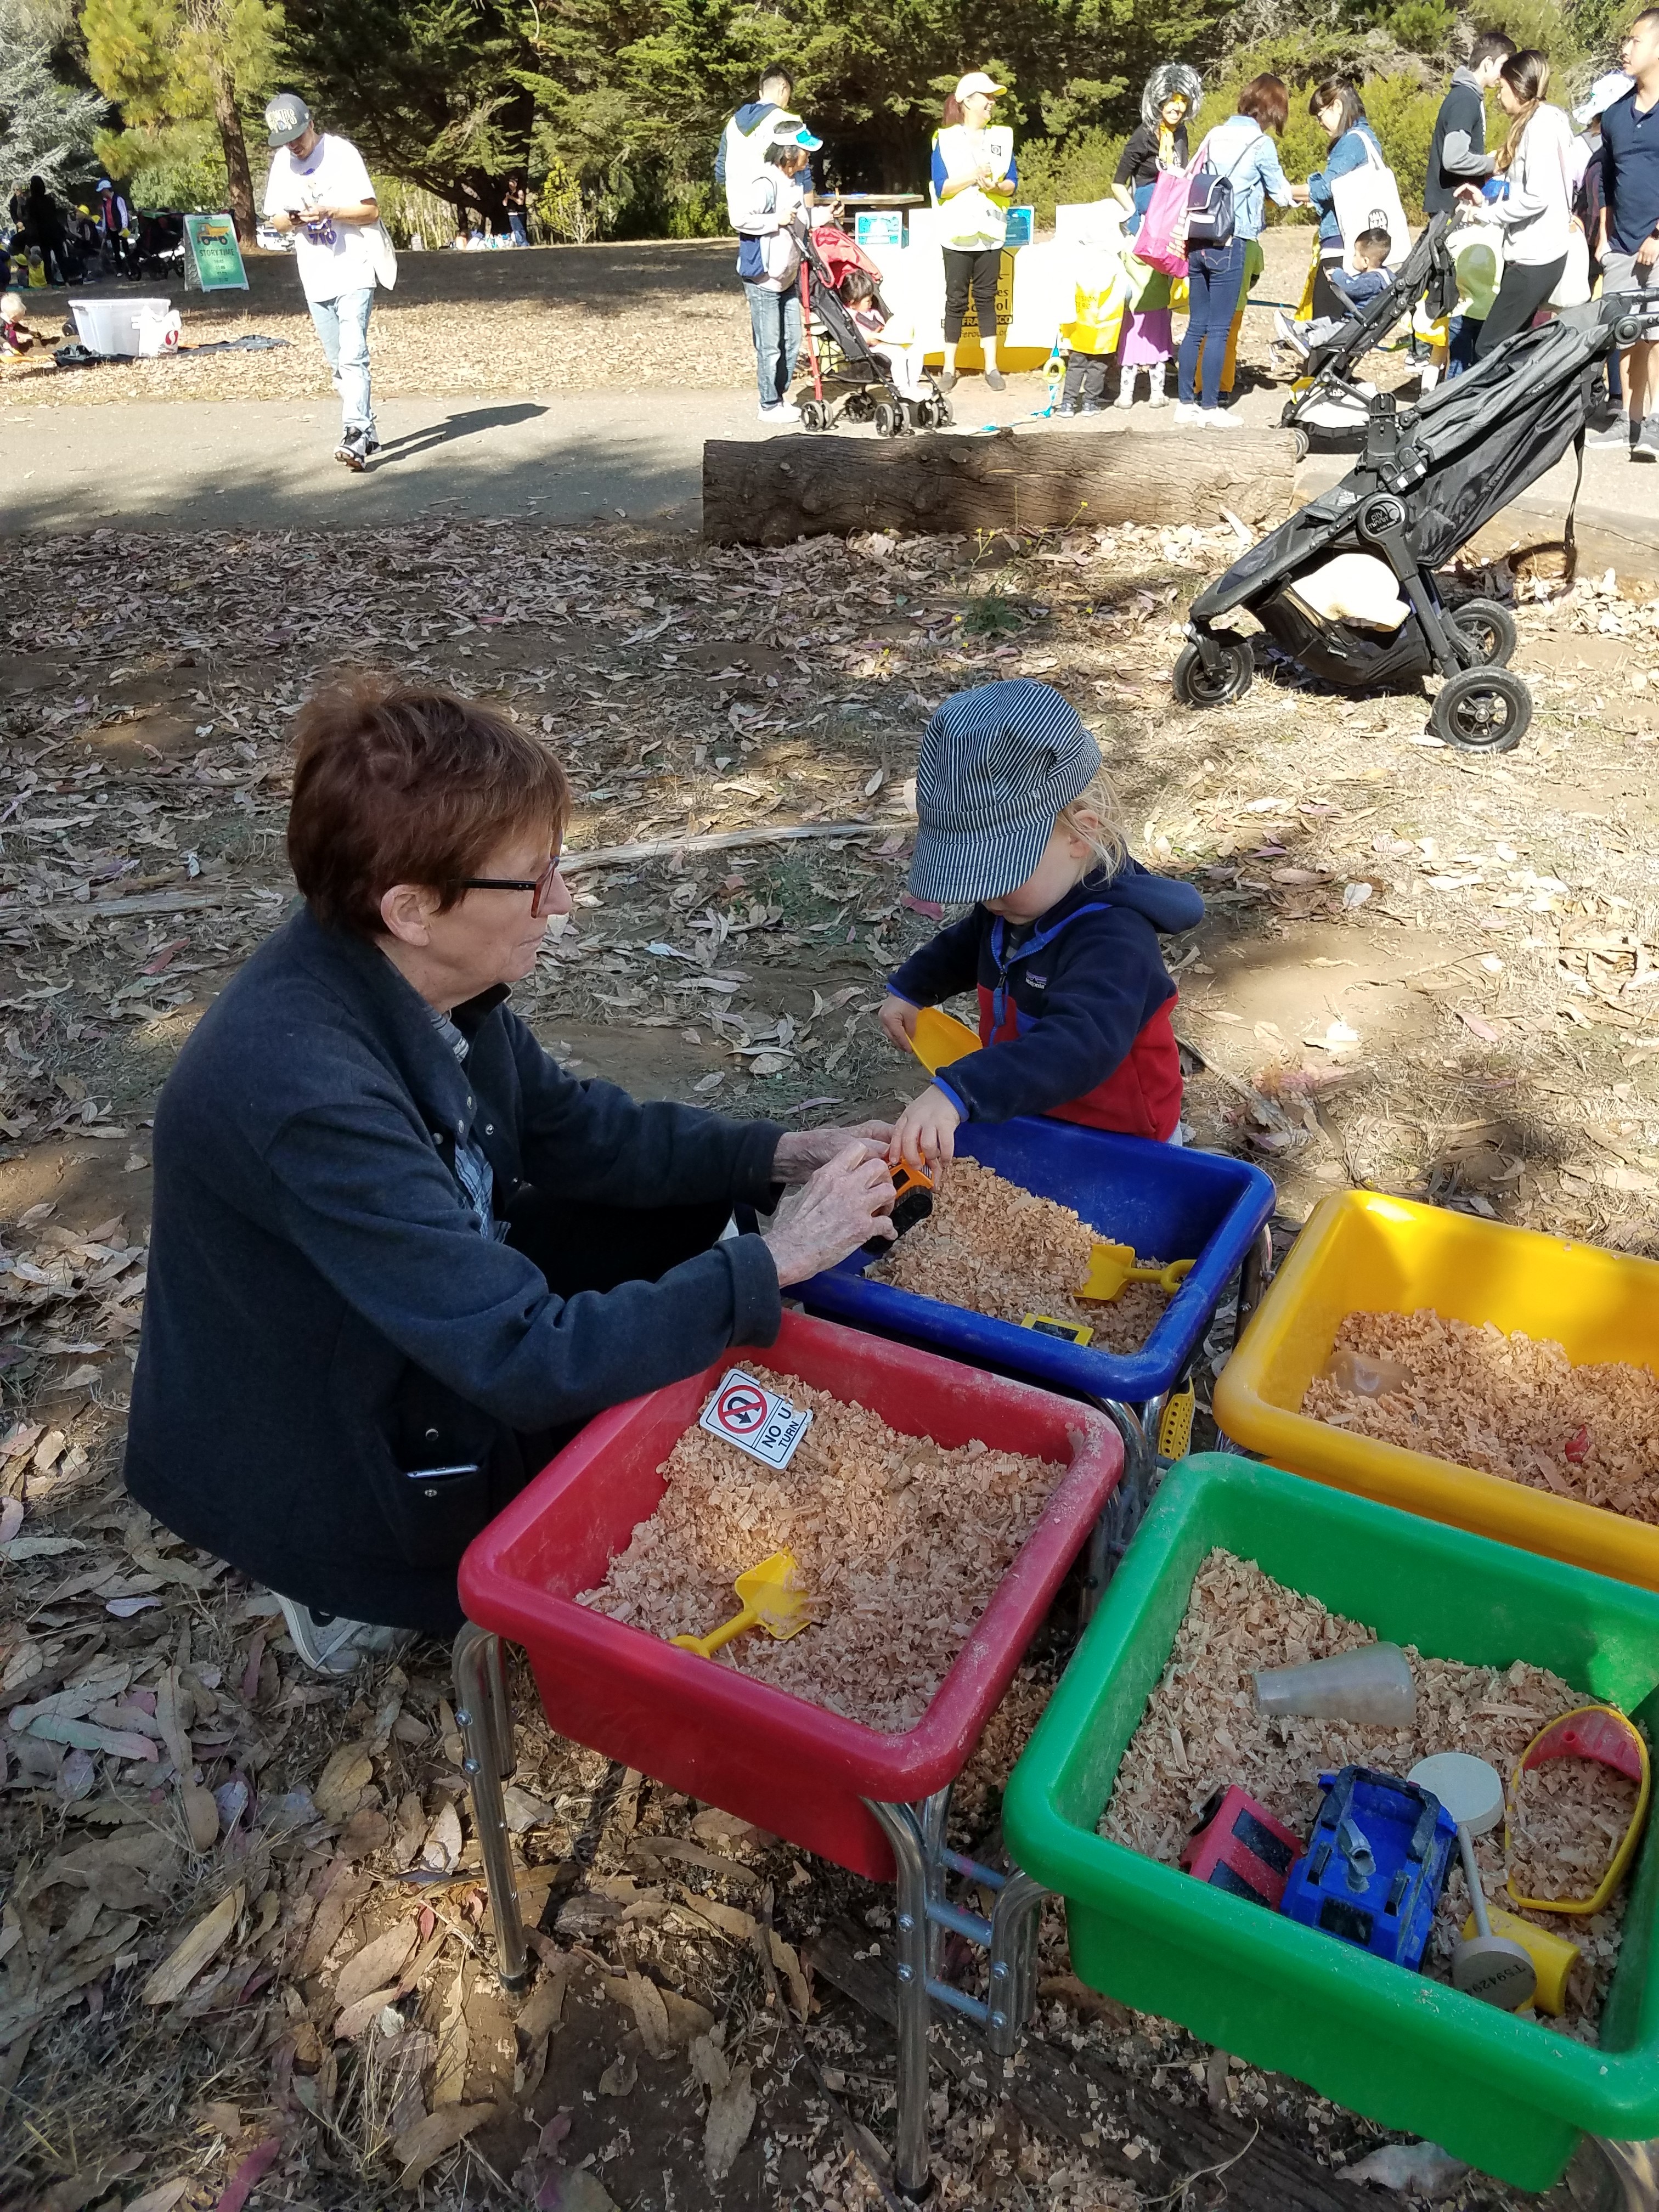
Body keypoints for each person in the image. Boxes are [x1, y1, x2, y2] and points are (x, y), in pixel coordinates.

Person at [124, 678, 898, 1664]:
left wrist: (772, 1154)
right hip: (319, 1433)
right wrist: (776, 1261)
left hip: (415, 1304)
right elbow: (521, 1355)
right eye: (532, 881)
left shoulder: (412, 976)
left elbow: (571, 1127)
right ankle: (347, 1579)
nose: (562, 902)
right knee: (673, 1338)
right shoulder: (306, 1092)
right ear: (411, 907)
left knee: (691, 1212)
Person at [879, 680, 1204, 1177]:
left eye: (1001, 871)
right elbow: (968, 944)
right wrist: (913, 988)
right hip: (1037, 1105)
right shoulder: (1016, 903)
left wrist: (962, 1089)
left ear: (1081, 834)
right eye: (975, 878)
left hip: (1121, 1134)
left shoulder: (1115, 941)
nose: (988, 896)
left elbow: (1077, 1048)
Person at [262, 93, 387, 472]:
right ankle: (369, 428)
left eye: (298, 136)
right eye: (286, 141)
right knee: (338, 363)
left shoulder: (342, 153)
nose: (295, 146)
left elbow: (371, 211)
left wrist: (332, 211)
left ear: (311, 123)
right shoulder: (282, 164)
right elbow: (275, 220)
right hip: (315, 275)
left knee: (353, 356)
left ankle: (355, 433)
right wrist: (296, 219)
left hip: (354, 267)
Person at [1176, 75, 1300, 427]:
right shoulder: (1261, 144)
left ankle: (1185, 403)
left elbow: (1193, 176)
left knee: (1196, 325)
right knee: (1220, 329)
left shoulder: (1215, 134)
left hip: (1198, 236)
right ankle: (1211, 407)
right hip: (1232, 239)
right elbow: (1280, 193)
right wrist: (1298, 198)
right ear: (1272, 109)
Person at [1463, 50, 1573, 357]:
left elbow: (1537, 196)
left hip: (1534, 258)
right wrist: (1486, 199)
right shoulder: (1548, 121)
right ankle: (1530, 401)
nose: (1499, 96)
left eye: (1502, 88)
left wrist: (1485, 214)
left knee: (1490, 348)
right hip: (1541, 253)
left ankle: (1517, 401)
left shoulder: (1539, 127)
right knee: (1516, 347)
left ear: (1517, 86)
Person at [1111, 64, 1201, 409]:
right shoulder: (1142, 136)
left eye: (1183, 104)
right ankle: (1128, 383)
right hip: (1145, 225)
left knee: (1162, 304)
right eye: (1172, 103)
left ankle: (1160, 381)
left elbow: (1181, 176)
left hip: (1172, 225)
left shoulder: (1181, 135)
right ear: (1158, 102)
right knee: (1140, 301)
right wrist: (1133, 213)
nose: (1178, 109)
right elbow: (1118, 182)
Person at [931, 71, 1018, 392]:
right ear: (968, 101)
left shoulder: (1002, 138)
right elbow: (942, 186)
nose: (993, 103)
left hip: (991, 232)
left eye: (994, 97)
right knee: (955, 300)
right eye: (987, 97)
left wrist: (998, 185)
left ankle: (991, 367)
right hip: (956, 234)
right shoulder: (945, 139)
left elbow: (1013, 184)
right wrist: (972, 176)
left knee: (987, 299)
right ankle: (950, 368)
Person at [1598, 11, 1659, 459]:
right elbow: (1601, 175)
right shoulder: (1615, 116)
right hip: (1620, 245)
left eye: (1634, 41)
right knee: (1623, 334)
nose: (1625, 48)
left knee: (1655, 338)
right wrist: (1603, 236)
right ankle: (1627, 421)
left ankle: (1655, 425)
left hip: (1657, 245)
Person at [735, 117, 818, 425]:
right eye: (805, 152)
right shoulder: (764, 182)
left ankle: (779, 398)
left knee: (792, 340)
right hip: (764, 279)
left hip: (788, 277)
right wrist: (775, 221)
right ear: (789, 154)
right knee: (770, 346)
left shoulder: (793, 182)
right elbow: (740, 218)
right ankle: (768, 404)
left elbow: (802, 218)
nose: (808, 157)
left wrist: (823, 215)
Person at [1577, 71, 1634, 423]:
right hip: (1605, 243)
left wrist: (1601, 242)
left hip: (1605, 246)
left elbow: (1604, 200)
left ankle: (1615, 396)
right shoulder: (1610, 153)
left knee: (1614, 320)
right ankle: (1613, 395)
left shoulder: (1606, 158)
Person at [1305, 80, 1386, 322]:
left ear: (1338, 107)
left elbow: (1326, 188)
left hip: (1340, 244)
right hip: (1359, 242)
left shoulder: (1351, 141)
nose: (1319, 123)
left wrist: (1293, 192)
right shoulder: (1368, 138)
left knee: (1324, 325)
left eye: (1321, 114)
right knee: (1344, 329)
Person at [1426, 31, 1519, 214]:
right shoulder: (1465, 99)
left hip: (1455, 206)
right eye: (1503, 66)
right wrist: (1494, 164)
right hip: (1451, 210)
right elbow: (1454, 158)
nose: (1505, 74)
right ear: (1487, 64)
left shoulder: (1470, 97)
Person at [1274, 225, 1392, 354]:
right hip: (1353, 322)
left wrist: (1337, 274)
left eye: (1355, 254)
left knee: (1330, 331)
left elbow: (1352, 288)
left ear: (1365, 261)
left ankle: (1307, 341)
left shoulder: (1373, 280)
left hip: (1356, 326)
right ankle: (1296, 327)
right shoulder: (1383, 276)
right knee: (1325, 322)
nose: (1353, 257)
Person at [718, 65, 800, 225]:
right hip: (780, 219)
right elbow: (801, 172)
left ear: (761, 93)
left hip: (744, 218)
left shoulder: (732, 123)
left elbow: (721, 170)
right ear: (784, 88)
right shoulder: (789, 121)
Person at [1056, 242, 1131, 413]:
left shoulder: (1077, 260)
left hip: (1079, 325)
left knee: (1076, 364)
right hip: (1105, 328)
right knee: (1098, 366)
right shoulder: (1114, 263)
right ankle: (1090, 403)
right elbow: (1127, 293)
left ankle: (1068, 403)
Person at [839, 266, 925, 397]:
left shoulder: (874, 313)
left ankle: (913, 385)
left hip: (884, 343)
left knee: (916, 349)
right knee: (899, 354)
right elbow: (854, 336)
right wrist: (868, 339)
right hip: (869, 349)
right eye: (867, 301)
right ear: (852, 303)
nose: (871, 303)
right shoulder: (850, 316)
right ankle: (903, 389)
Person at [24, 176, 67, 286]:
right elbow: (54, 215)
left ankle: (50, 281)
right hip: (54, 230)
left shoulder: (31, 202)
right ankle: (65, 278)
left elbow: (31, 219)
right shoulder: (49, 200)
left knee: (46, 257)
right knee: (60, 256)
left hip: (42, 232)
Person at [1, 291, 33, 358]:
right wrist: (4, 343)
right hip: (2, 343)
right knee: (8, 353)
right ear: (14, 316)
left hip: (6, 342)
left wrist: (28, 332)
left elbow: (17, 327)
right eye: (20, 316)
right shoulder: (2, 323)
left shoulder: (11, 321)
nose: (22, 318)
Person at [504, 174, 529, 246]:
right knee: (516, 231)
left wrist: (512, 198)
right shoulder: (508, 193)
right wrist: (507, 197)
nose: (510, 186)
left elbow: (520, 202)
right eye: (509, 184)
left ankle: (524, 244)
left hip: (519, 213)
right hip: (511, 214)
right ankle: (520, 244)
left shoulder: (520, 192)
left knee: (520, 230)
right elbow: (505, 204)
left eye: (512, 184)